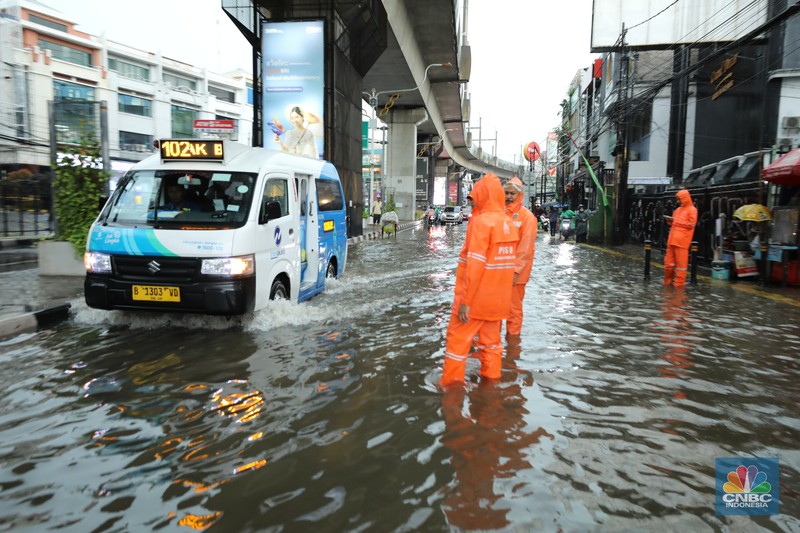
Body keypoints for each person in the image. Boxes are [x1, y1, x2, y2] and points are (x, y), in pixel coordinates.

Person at [440, 173, 519, 388]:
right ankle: (490, 386)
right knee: (492, 345)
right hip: (498, 302)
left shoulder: (481, 222)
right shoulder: (509, 223)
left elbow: (475, 265)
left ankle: (451, 387)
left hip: (474, 302)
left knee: (457, 343)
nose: (473, 200)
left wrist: (466, 301)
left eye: (476, 195)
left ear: (483, 194)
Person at [503, 177, 537, 338]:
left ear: (520, 194)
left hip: (517, 275)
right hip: (499, 270)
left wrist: (516, 272)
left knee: (513, 311)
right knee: (494, 311)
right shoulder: (501, 213)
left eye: (512, 193)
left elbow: (525, 248)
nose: (508, 196)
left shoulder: (527, 217)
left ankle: (513, 344)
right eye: (506, 193)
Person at [663, 188, 698, 286]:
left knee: (681, 267)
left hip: (682, 242)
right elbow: (674, 223)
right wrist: (670, 220)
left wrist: (674, 221)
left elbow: (691, 224)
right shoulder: (678, 210)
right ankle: (667, 284)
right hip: (672, 240)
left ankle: (678, 286)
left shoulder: (692, 210)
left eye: (679, 198)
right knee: (668, 265)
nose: (678, 201)